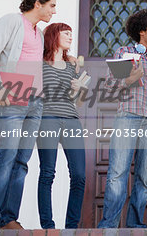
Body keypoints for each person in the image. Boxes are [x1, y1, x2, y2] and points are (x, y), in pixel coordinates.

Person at [0, 0, 57, 230]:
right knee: (8, 154)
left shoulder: (40, 32)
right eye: (51, 6)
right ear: (38, 3)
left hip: (35, 99)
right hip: (12, 92)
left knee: (22, 160)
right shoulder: (11, 22)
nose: (53, 11)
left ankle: (8, 218)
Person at [97, 9, 147, 228]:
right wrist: (131, 78)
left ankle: (134, 223)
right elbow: (110, 87)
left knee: (143, 176)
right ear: (142, 31)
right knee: (117, 173)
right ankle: (108, 225)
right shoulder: (125, 52)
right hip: (127, 118)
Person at [36, 23, 86, 229]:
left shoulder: (72, 66)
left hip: (72, 120)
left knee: (79, 176)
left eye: (71, 34)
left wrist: (80, 88)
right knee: (48, 173)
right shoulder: (39, 63)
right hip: (47, 119)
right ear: (54, 35)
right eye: (66, 33)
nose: (70, 37)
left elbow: (79, 101)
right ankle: (48, 226)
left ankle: (71, 227)